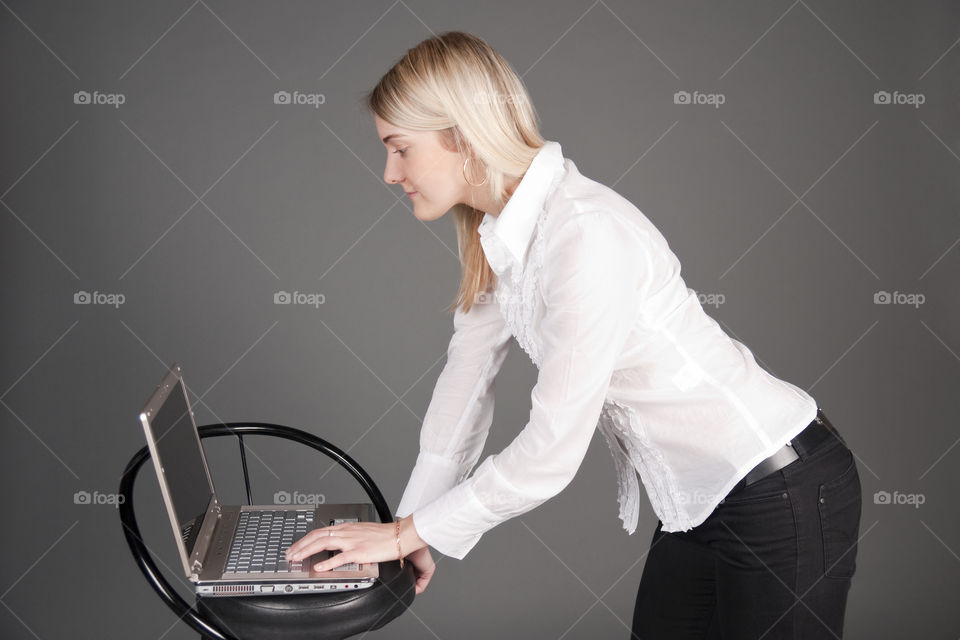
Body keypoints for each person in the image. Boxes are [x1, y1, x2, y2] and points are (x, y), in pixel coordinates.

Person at [284, 31, 863, 638]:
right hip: (700, 501)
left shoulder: (583, 233)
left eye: (401, 149)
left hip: (780, 489)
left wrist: (411, 533)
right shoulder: (501, 234)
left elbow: (552, 452)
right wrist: (410, 529)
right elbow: (465, 385)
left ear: (461, 135)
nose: (389, 173)